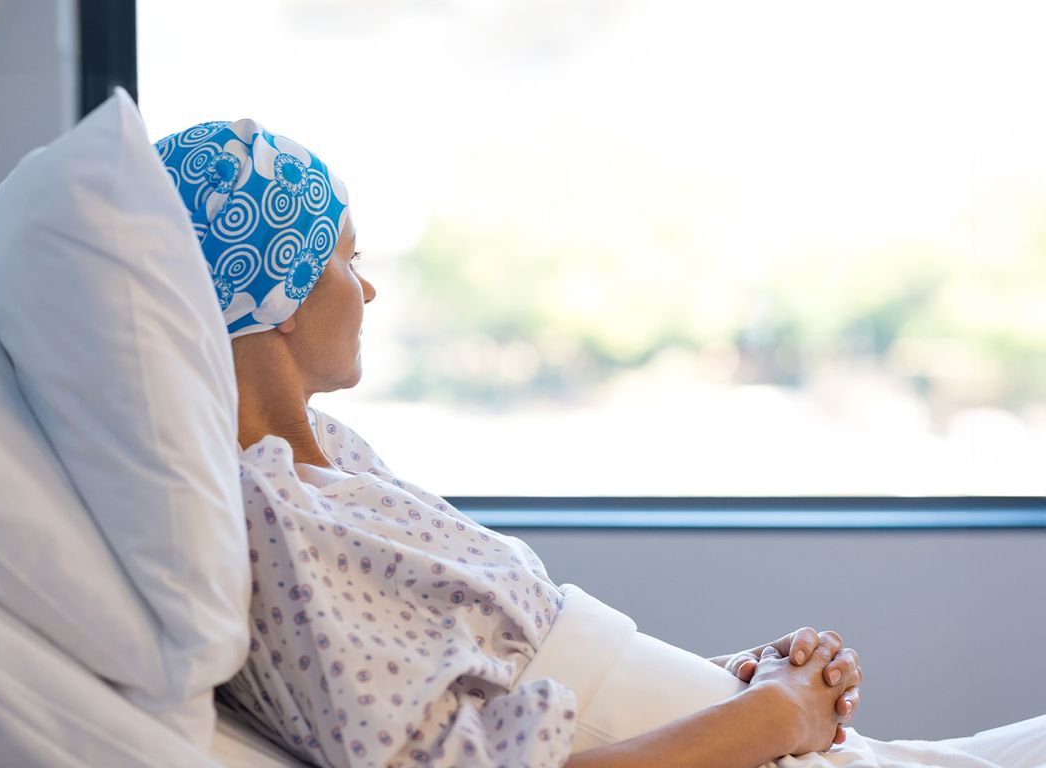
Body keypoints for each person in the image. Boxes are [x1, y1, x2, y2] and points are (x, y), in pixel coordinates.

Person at [153, 120, 1045, 768]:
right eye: (348, 259)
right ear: (281, 293)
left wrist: (738, 675)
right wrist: (777, 718)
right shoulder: (271, 515)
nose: (371, 289)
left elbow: (521, 674)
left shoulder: (332, 460)